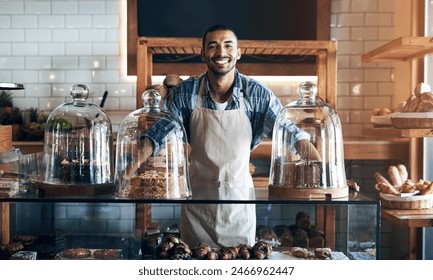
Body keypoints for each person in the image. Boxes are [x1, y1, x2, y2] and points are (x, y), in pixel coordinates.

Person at [140, 24, 320, 248]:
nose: (221, 52)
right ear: (203, 53)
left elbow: (292, 134)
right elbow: (157, 135)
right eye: (212, 46)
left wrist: (323, 173)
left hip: (239, 206)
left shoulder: (256, 94)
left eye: (228, 45)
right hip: (197, 206)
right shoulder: (186, 92)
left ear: (238, 52)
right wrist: (127, 174)